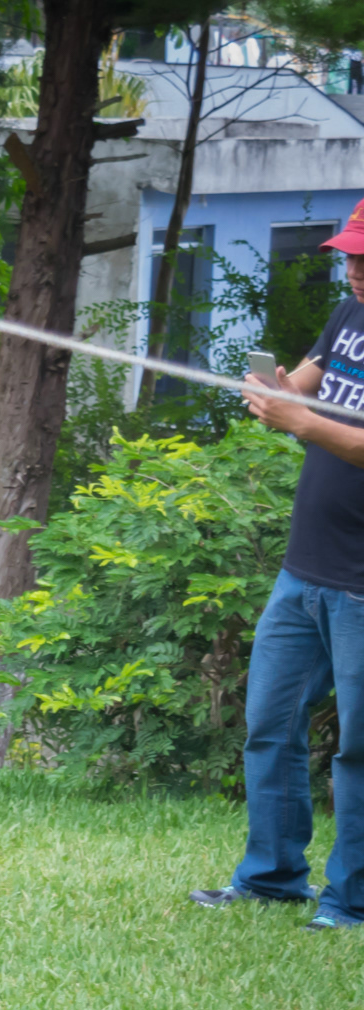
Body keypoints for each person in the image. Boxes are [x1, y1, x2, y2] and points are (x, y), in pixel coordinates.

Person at [191, 208, 364, 932]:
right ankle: (270, 877)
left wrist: (304, 421)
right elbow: (305, 385)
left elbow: (328, 427)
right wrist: (276, 390)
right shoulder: (348, 313)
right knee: (270, 721)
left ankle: (352, 900)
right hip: (306, 567)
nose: (353, 271)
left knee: (358, 748)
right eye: (349, 257)